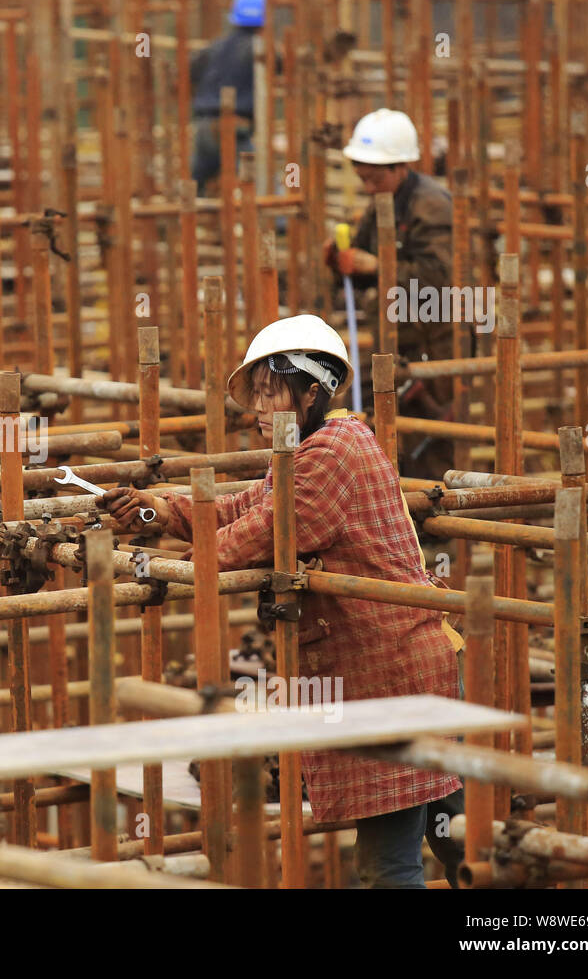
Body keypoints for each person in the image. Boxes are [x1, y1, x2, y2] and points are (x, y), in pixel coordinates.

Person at [99, 313, 467, 888]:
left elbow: (250, 537)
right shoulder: (311, 450)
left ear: (312, 390)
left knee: (387, 867)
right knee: (460, 843)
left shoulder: (332, 453)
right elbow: (231, 512)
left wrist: (166, 565)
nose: (263, 411)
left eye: (273, 394)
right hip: (401, 667)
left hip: (390, 676)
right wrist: (155, 510)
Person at [323, 108, 460, 481]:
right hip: (395, 341)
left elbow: (438, 281)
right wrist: (341, 260)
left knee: (427, 435)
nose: (367, 187)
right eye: (362, 178)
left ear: (401, 166)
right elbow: (362, 269)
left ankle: (432, 527)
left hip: (435, 339)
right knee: (384, 429)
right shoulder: (385, 200)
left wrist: (374, 266)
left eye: (374, 178)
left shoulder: (431, 206)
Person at [189, 0, 264, 192]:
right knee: (258, 182)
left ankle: (182, 219)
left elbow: (189, 73)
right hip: (235, 128)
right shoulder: (260, 50)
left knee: (196, 184)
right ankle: (282, 224)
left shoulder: (214, 48)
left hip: (204, 125)